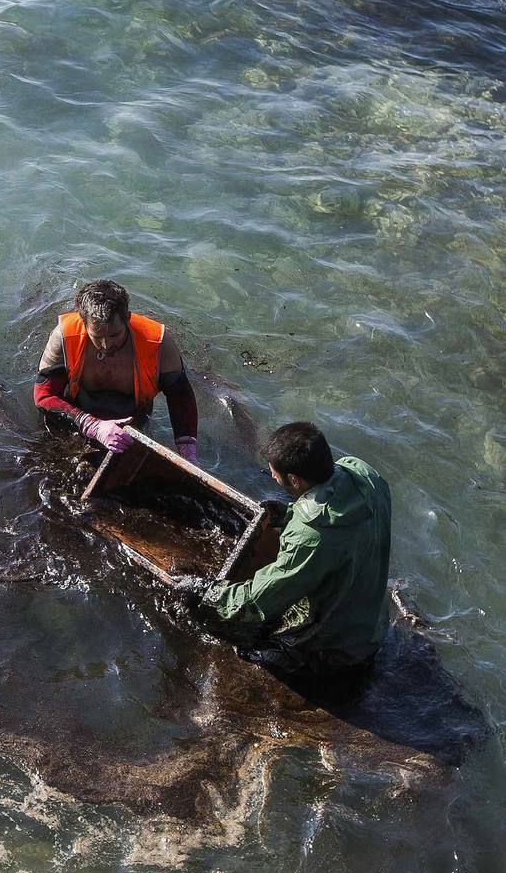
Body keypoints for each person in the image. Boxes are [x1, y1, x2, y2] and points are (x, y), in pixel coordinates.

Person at [187, 422, 392, 678]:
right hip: (372, 617)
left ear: (293, 478)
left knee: (243, 653)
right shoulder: (364, 474)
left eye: (274, 473)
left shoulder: (310, 537)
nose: (272, 477)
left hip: (343, 649)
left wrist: (208, 593)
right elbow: (334, 512)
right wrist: (289, 514)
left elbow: (260, 599)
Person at [33, 279, 199, 461]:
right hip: (77, 411)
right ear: (83, 322)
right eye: (97, 336)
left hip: (132, 414)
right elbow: (44, 397)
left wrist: (187, 451)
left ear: (127, 319)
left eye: (114, 335)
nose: (106, 345)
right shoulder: (64, 337)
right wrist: (91, 425)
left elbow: (180, 396)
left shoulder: (158, 342)